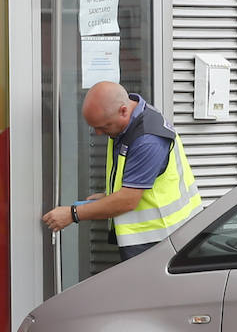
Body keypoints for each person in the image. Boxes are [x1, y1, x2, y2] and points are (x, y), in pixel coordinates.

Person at [42, 82, 202, 261]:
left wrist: (72, 214)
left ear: (124, 111)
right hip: (153, 240)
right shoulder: (128, 123)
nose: (99, 133)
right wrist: (109, 196)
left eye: (103, 127)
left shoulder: (148, 139)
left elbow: (128, 200)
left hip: (163, 240)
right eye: (94, 127)